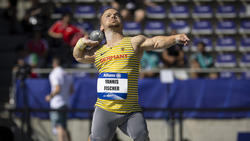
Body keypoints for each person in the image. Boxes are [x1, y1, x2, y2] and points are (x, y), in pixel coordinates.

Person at [73, 8, 189, 141]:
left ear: (122, 22)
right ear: (101, 27)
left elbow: (156, 42)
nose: (113, 16)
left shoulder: (134, 42)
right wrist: (81, 43)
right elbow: (79, 57)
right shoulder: (99, 51)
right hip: (104, 109)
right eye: (108, 15)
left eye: (116, 15)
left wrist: (175, 38)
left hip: (131, 111)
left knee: (142, 137)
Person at [45, 57, 74, 141]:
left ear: (54, 64)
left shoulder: (54, 74)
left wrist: (50, 96)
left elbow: (57, 88)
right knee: (64, 126)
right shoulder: (66, 74)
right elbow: (72, 90)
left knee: (59, 126)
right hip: (66, 103)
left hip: (57, 104)